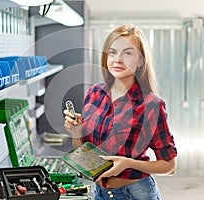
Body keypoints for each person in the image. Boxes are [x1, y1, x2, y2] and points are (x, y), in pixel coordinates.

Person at [64, 25, 177, 200]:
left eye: (128, 53)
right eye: (113, 52)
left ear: (140, 61)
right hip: (100, 192)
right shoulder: (94, 94)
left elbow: (169, 166)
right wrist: (76, 132)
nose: (118, 59)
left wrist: (128, 164)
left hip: (137, 193)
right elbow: (84, 155)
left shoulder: (151, 105)